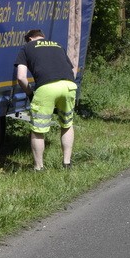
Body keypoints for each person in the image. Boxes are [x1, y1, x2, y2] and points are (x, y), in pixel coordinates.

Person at [14, 29, 77, 171]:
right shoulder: (57, 45)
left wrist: (30, 94)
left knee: (38, 130)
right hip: (69, 85)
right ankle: (67, 163)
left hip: (46, 87)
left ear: (30, 38)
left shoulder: (26, 48)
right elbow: (73, 70)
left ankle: (39, 167)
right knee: (67, 124)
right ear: (42, 37)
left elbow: (21, 77)